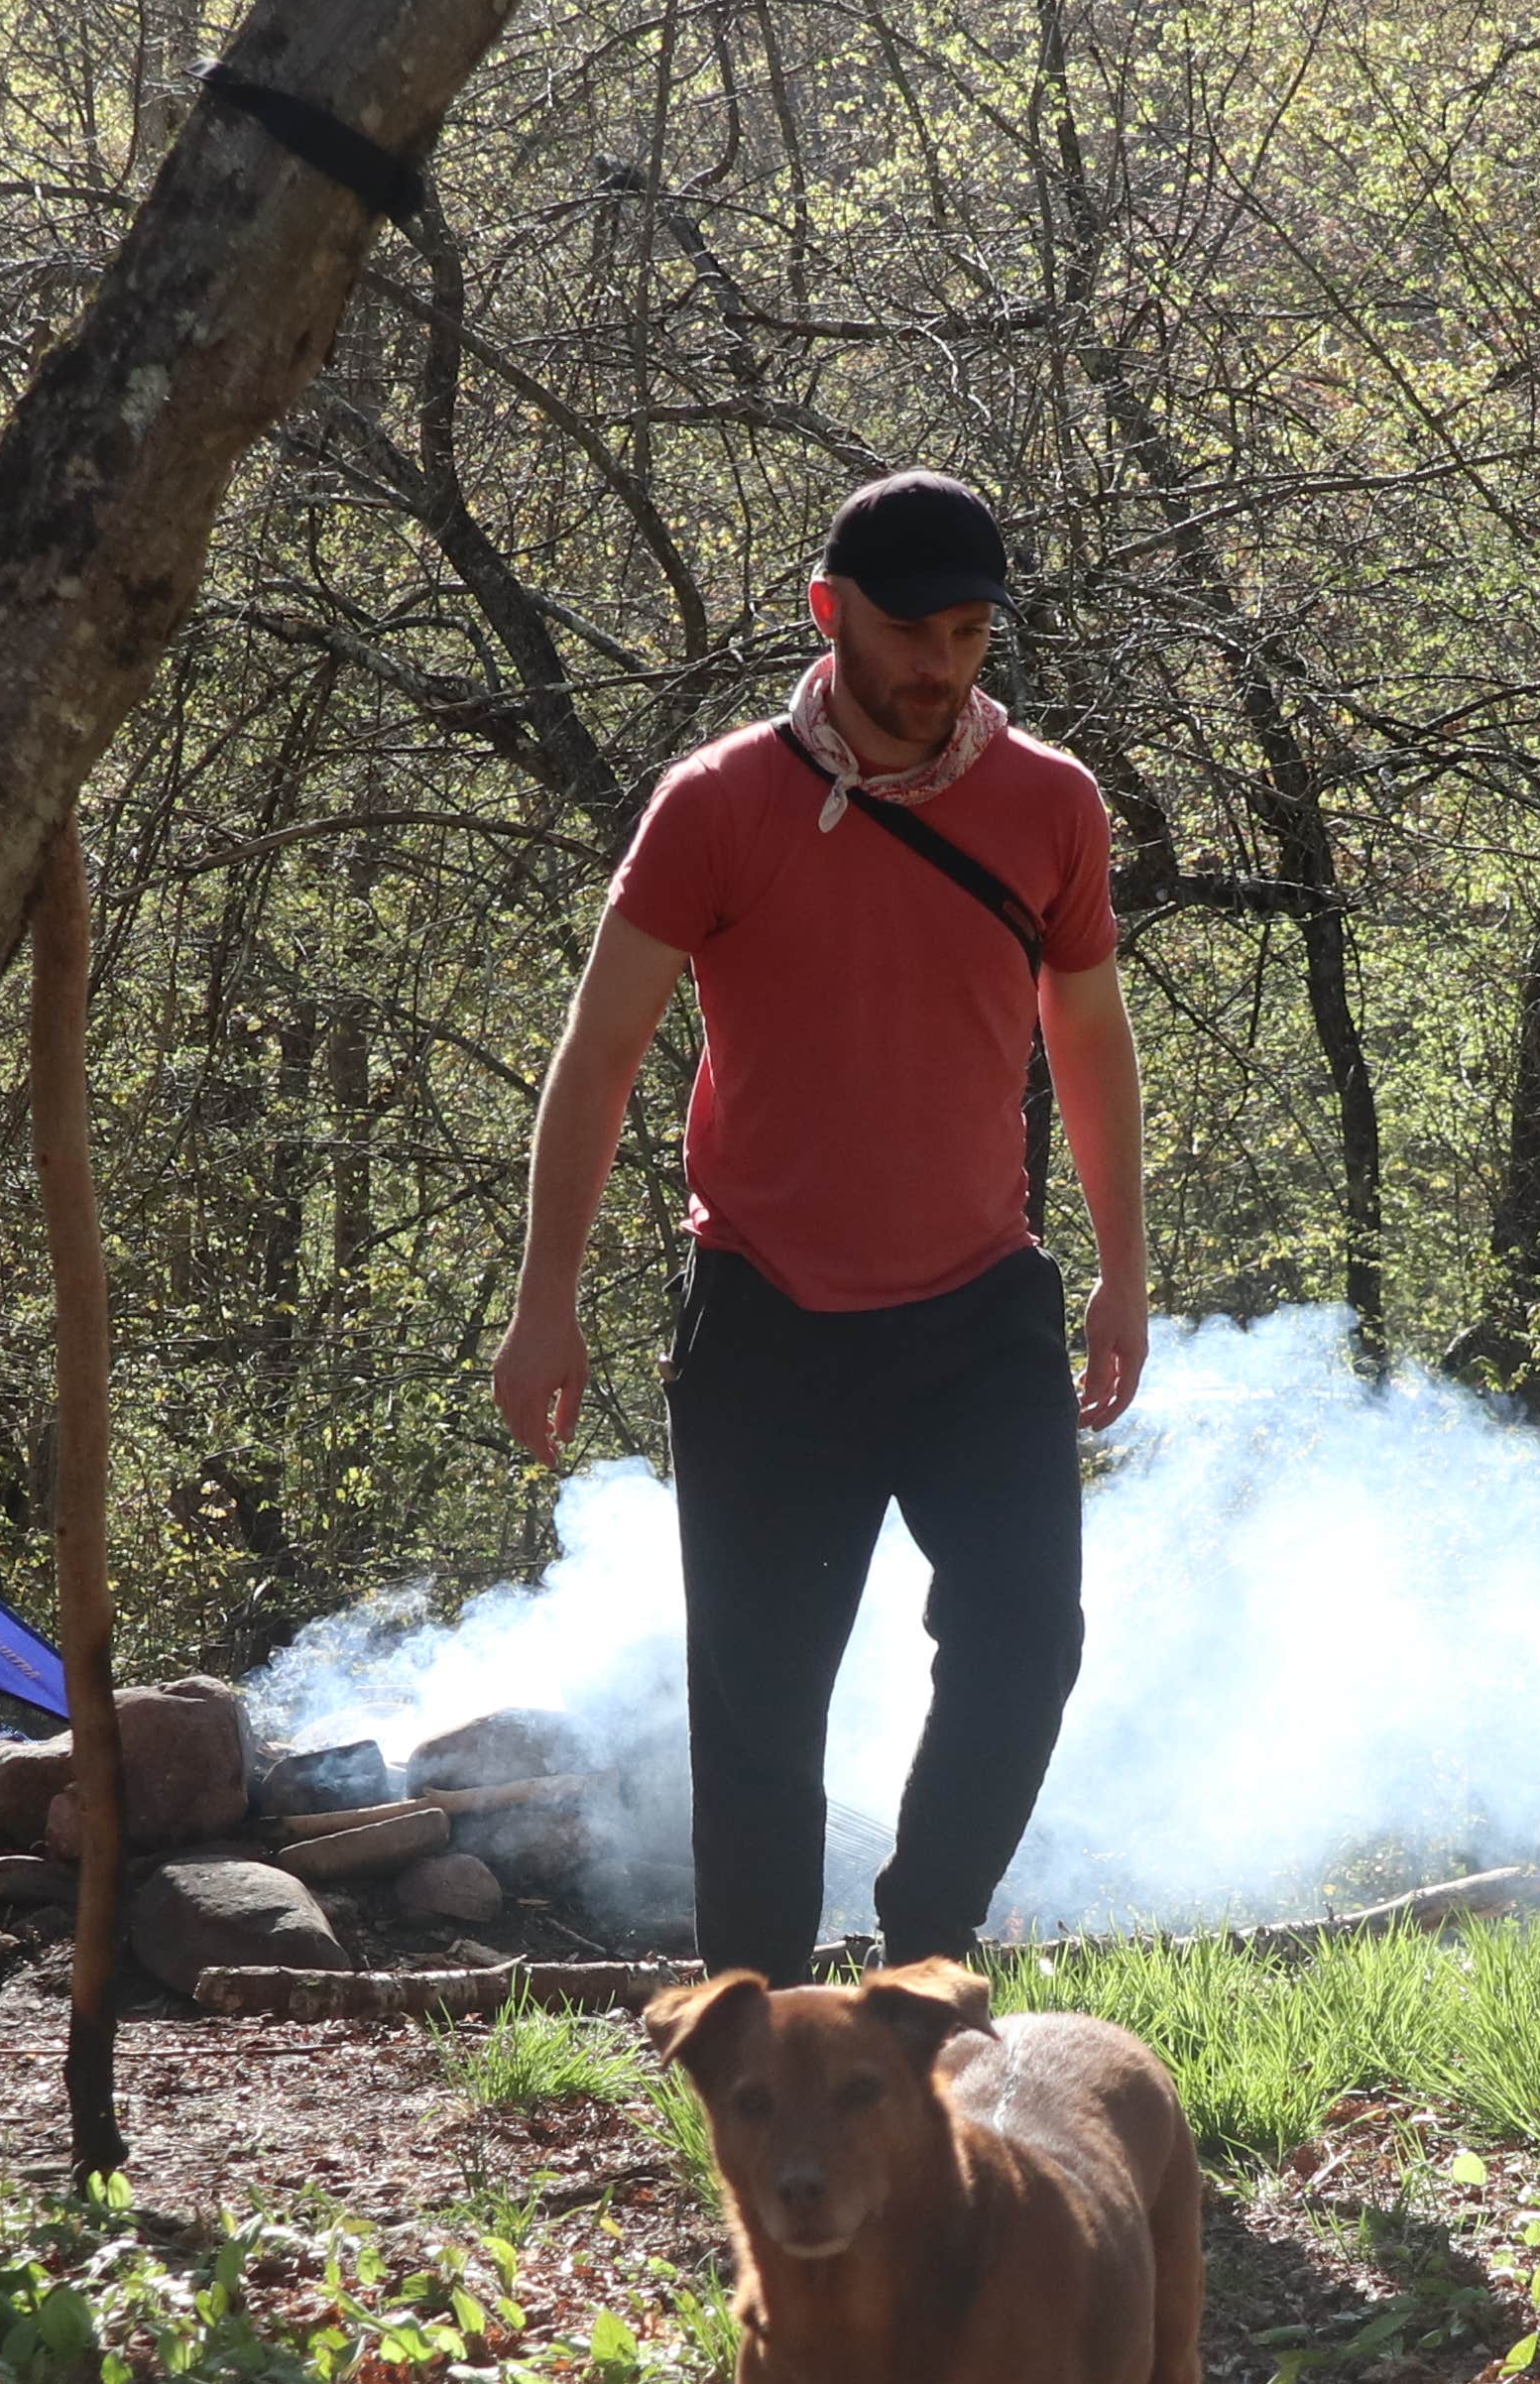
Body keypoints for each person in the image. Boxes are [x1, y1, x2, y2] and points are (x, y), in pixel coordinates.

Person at [491, 471, 1147, 1982]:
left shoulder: (1052, 802)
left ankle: (925, 1949)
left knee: (1027, 1644)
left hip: (983, 1305)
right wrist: (547, 1299)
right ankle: (761, 2033)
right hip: (768, 1319)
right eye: (912, 633)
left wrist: (1123, 1269)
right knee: (763, 1715)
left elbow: (1093, 1037)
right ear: (828, 614)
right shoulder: (717, 805)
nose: (941, 667)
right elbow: (597, 1054)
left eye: (973, 634)